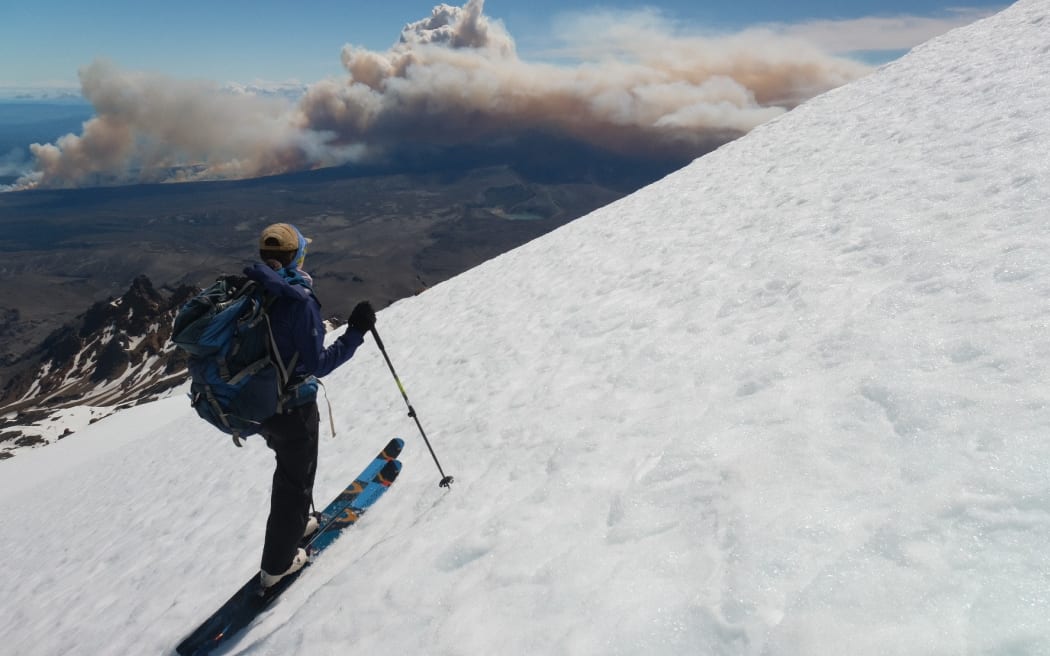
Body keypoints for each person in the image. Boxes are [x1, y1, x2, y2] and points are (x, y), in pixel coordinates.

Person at [243, 222, 376, 588]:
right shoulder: (296, 301)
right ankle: (276, 566)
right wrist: (355, 333)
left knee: (291, 473)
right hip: (293, 408)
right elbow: (318, 363)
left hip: (264, 404)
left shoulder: (254, 287)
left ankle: (298, 523)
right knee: (294, 483)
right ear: (296, 255)